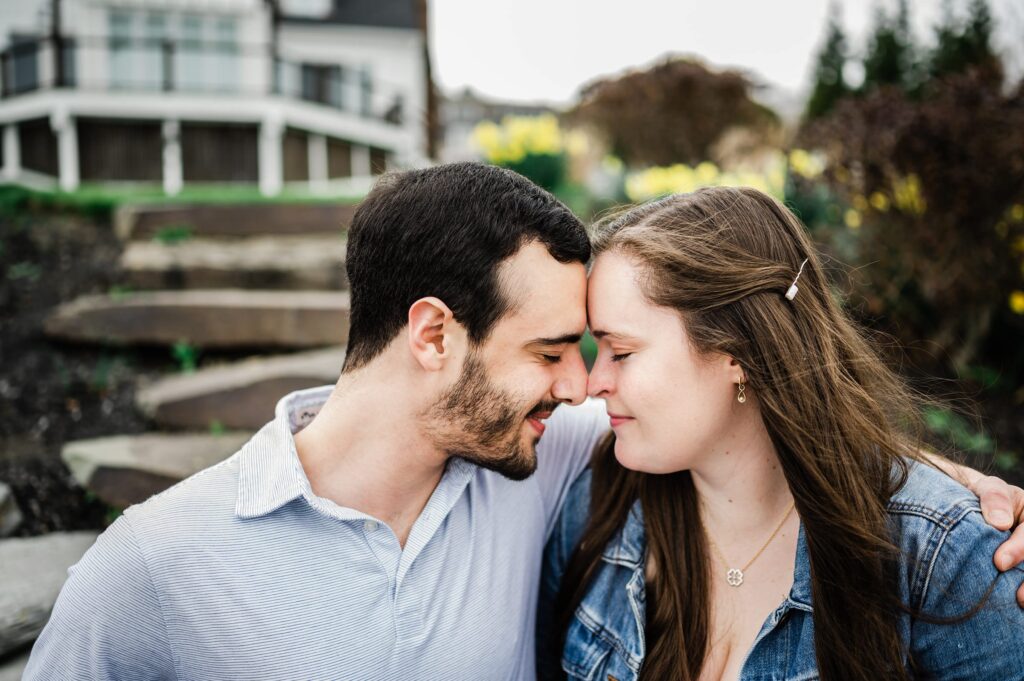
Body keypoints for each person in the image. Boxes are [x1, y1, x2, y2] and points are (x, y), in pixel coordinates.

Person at [24, 165, 1024, 680]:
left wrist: (955, 498)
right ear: (432, 335)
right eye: (551, 353)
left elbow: (777, 425)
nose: (580, 385)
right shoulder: (155, 565)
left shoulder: (550, 469)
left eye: (602, 351)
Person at [538, 186, 1024, 681]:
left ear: (738, 353)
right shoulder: (596, 504)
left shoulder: (939, 558)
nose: (590, 385)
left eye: (619, 352)